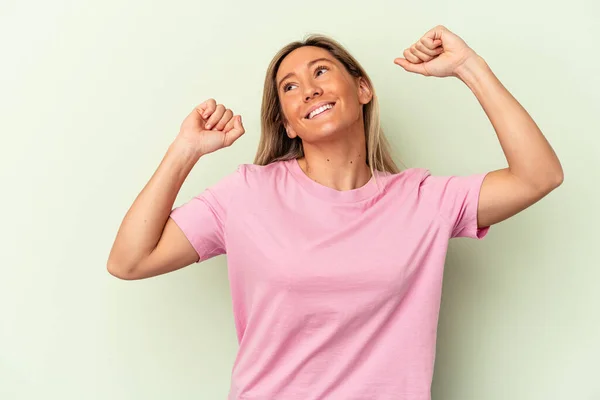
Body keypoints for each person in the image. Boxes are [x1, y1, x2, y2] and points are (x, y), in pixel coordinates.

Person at [107, 25, 563, 400]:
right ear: (287, 122)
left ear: (362, 88)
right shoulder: (246, 193)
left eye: (321, 71)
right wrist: (185, 150)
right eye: (290, 87)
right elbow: (129, 260)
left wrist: (468, 67)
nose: (309, 89)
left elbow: (538, 175)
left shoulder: (423, 200)